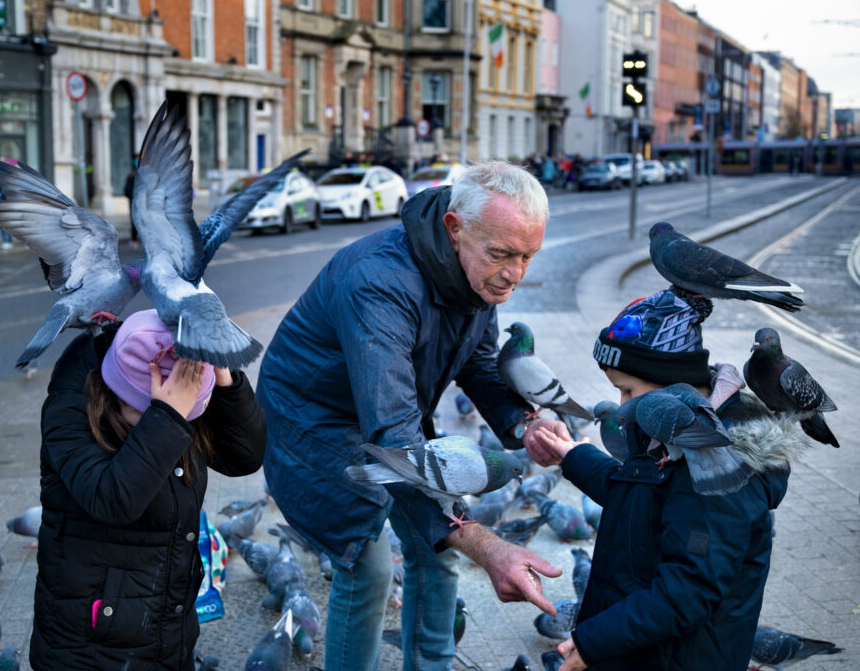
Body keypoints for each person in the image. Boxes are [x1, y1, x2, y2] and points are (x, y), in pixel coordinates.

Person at [258, 161, 562, 671]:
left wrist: (523, 424)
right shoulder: (378, 283)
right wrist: (488, 547)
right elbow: (395, 441)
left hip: (386, 413)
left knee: (437, 550)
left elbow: (480, 363)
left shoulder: (477, 271)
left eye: (529, 256)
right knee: (368, 566)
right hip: (312, 421)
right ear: (454, 227)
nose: (515, 273)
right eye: (504, 254)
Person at [524, 288, 795, 671]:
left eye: (628, 391)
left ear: (670, 381)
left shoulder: (719, 471)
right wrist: (575, 456)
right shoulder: (665, 429)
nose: (622, 406)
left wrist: (594, 642)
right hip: (639, 645)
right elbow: (639, 496)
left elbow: (688, 589)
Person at [31, 309, 266, 670]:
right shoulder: (71, 405)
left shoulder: (178, 396)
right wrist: (167, 413)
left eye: (187, 409)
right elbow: (111, 500)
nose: (182, 420)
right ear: (115, 390)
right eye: (150, 407)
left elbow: (244, 458)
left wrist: (224, 377)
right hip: (91, 644)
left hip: (168, 626)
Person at [123, 158, 138, 249]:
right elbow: (127, 190)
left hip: (136, 201)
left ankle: (135, 240)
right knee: (134, 221)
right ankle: (134, 240)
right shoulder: (132, 176)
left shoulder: (135, 176)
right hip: (134, 201)